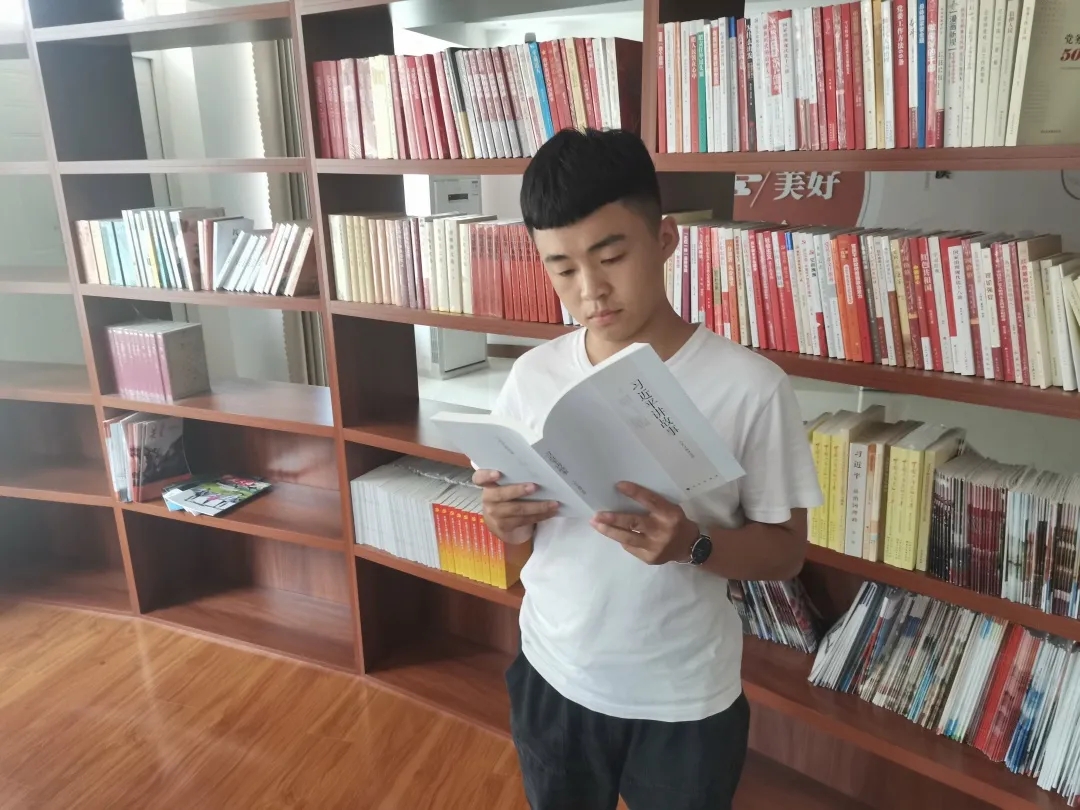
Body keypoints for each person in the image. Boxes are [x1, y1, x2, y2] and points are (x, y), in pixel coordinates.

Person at [472, 128, 822, 810]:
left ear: (664, 239)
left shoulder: (750, 387)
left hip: (683, 701)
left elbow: (786, 553)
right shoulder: (532, 376)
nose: (591, 291)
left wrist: (693, 544)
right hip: (552, 674)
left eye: (611, 256)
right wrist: (504, 521)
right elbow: (520, 543)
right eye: (562, 269)